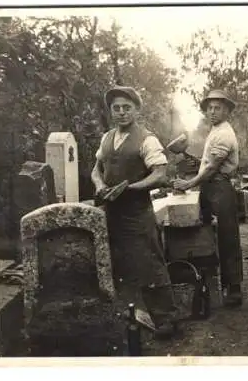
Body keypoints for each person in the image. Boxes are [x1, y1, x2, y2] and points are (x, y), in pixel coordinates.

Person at [91, 85, 180, 339]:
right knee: (117, 264)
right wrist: (99, 185)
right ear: (111, 111)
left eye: (126, 108)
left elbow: (160, 174)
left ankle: (166, 319)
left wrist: (130, 188)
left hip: (137, 212)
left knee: (150, 263)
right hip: (110, 211)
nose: (121, 113)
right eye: (116, 108)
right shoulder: (107, 138)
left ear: (136, 110)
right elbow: (96, 169)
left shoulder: (146, 139)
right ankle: (127, 316)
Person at [173, 90, 243, 307]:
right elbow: (207, 162)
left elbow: (212, 168)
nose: (212, 112)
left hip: (220, 187)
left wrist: (188, 183)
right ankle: (208, 279)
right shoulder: (215, 130)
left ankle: (234, 288)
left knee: (227, 236)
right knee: (204, 232)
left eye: (218, 108)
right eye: (210, 108)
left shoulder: (224, 134)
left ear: (227, 111)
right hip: (210, 187)